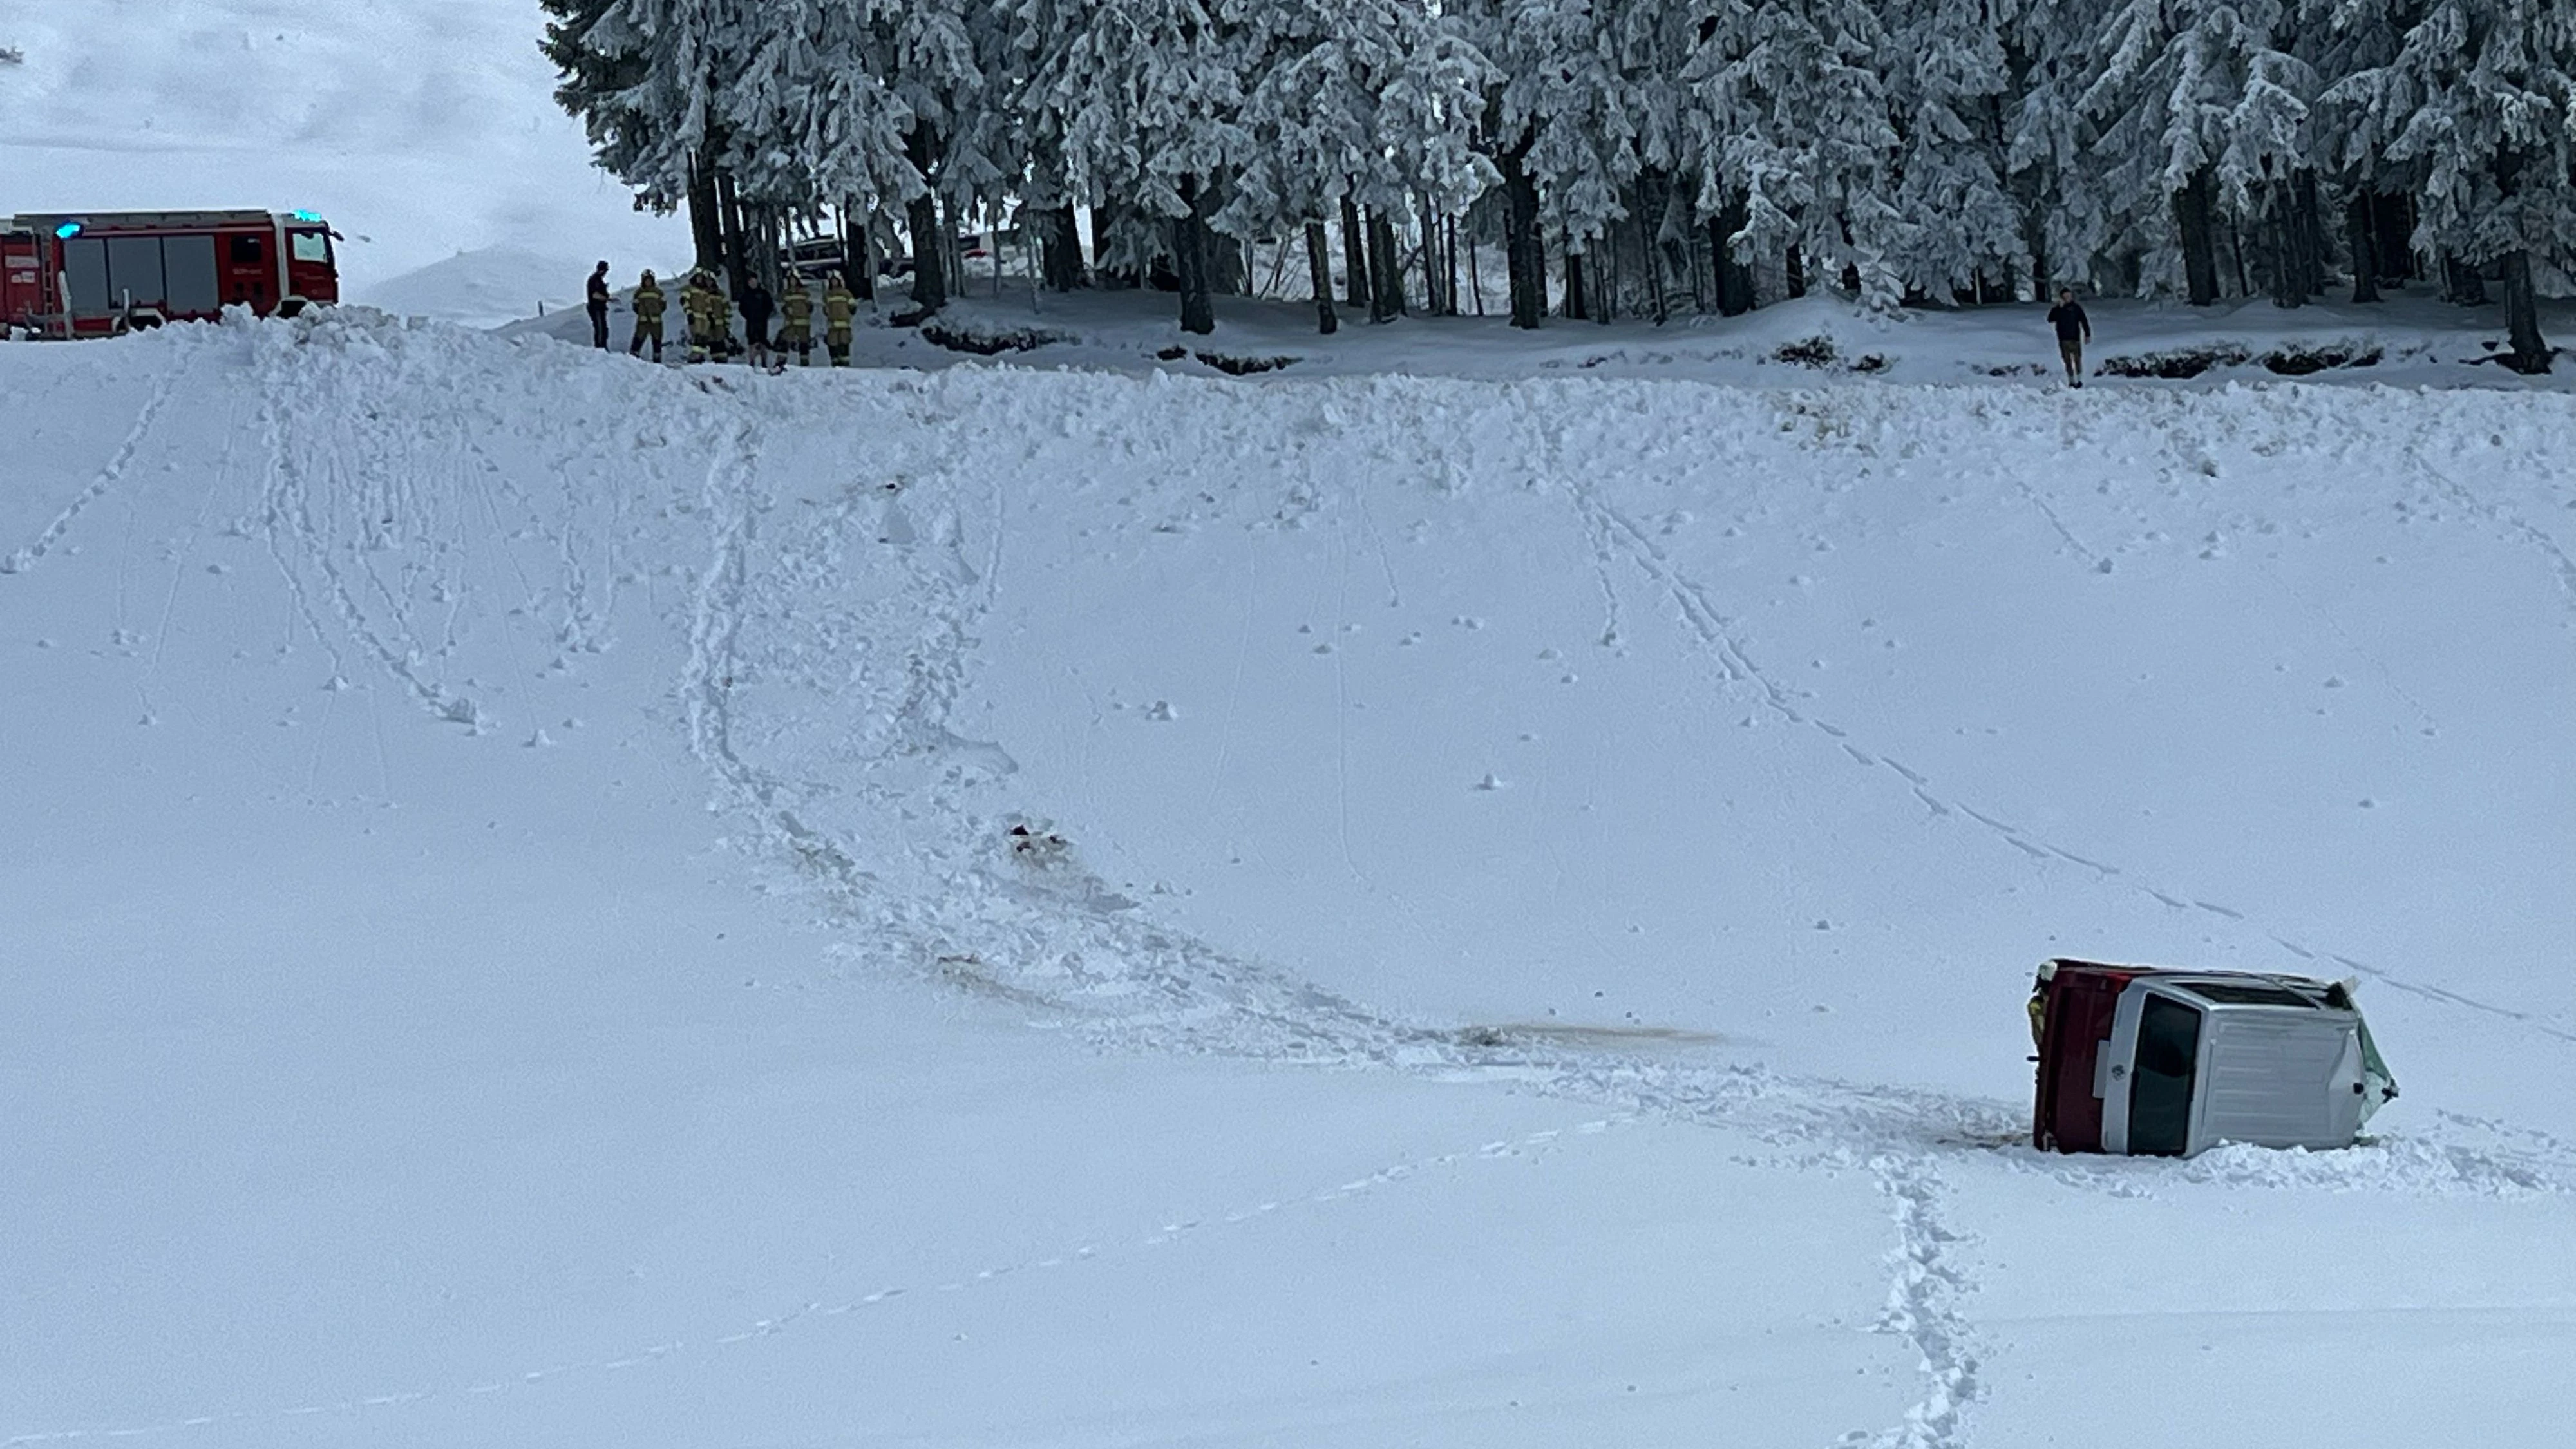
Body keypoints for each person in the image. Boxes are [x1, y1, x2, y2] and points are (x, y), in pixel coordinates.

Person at [2047, 287, 2092, 388]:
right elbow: (2050, 319)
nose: (2068, 298)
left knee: (2077, 360)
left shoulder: (2076, 308)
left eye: (2069, 295)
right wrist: (2058, 308)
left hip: (2075, 338)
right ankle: (2071, 381)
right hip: (2063, 339)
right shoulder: (2059, 309)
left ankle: (2079, 380)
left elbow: (2084, 321)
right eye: (2066, 296)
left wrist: (2087, 334)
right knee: (2067, 361)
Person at [629, 269, 665, 362]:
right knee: (638, 338)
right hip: (643, 322)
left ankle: (657, 359)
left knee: (657, 340)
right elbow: (635, 306)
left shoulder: (659, 292)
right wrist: (642, 313)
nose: (648, 282)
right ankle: (633, 357)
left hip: (656, 322)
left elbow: (663, 305)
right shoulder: (639, 293)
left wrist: (656, 312)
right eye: (646, 280)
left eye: (650, 280)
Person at [777, 276, 814, 368]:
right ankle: (780, 363)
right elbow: (782, 307)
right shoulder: (786, 294)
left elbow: (810, 307)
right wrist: (786, 310)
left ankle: (805, 362)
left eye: (794, 280)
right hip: (790, 323)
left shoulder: (805, 293)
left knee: (804, 343)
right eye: (790, 280)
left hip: (803, 323)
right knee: (784, 342)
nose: (792, 282)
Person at [821, 272, 857, 367]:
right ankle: (835, 363)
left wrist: (851, 310)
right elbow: (825, 308)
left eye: (836, 281)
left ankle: (845, 363)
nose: (834, 283)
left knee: (844, 343)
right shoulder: (828, 295)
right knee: (833, 343)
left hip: (844, 324)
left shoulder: (846, 293)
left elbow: (852, 306)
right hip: (832, 324)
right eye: (832, 281)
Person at [740, 277, 775, 370]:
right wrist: (748, 316)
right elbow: (742, 308)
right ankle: (752, 361)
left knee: (762, 341)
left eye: (754, 281)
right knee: (752, 342)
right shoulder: (746, 295)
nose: (753, 283)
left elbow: (770, 306)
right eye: (751, 281)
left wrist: (765, 315)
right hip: (751, 321)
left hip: (762, 321)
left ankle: (764, 362)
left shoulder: (764, 294)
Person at [585, 261, 612, 349]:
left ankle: (602, 346)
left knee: (603, 329)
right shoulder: (595, 280)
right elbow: (595, 295)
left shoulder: (598, 280)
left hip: (600, 308)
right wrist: (607, 299)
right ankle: (600, 347)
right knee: (600, 329)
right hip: (596, 308)